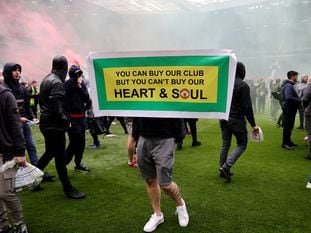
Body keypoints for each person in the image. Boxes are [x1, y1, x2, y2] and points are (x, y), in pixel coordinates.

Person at [37, 55, 85, 199]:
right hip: (54, 125)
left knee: (49, 152)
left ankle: (34, 178)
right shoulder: (57, 82)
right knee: (59, 157)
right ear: (63, 68)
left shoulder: (46, 79)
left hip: (46, 123)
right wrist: (65, 120)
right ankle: (68, 189)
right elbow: (56, 105)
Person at [132, 117, 189, 232]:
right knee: (149, 179)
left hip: (165, 136)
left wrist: (179, 135)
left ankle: (180, 204)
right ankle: (158, 215)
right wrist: (135, 135)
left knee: (165, 184)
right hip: (143, 136)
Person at [219, 62, 259, 183]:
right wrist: (253, 124)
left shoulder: (225, 83)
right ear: (242, 71)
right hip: (237, 119)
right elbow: (247, 107)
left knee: (225, 144)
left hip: (223, 118)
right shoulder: (243, 85)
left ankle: (221, 167)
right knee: (242, 144)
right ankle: (226, 167)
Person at [0, 85, 28, 233]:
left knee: (6, 192)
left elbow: (15, 124)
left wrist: (20, 151)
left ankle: (19, 224)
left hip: (5, 153)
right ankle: (3, 226)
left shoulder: (5, 94)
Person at [2, 63, 39, 166]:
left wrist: (32, 117)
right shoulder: (4, 89)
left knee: (31, 146)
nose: (18, 72)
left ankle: (38, 171)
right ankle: (17, 177)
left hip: (24, 124)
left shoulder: (22, 88)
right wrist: (18, 118)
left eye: (19, 70)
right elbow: (4, 112)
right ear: (8, 72)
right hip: (11, 127)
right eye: (14, 70)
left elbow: (27, 106)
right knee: (15, 152)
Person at [64, 65, 91, 172]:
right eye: (76, 74)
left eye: (79, 74)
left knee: (81, 143)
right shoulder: (67, 85)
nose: (78, 76)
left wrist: (80, 87)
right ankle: (64, 163)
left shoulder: (81, 84)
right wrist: (67, 118)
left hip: (81, 118)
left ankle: (78, 164)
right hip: (71, 119)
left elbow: (86, 98)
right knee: (74, 143)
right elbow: (64, 101)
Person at [281, 70, 301, 150]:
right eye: (296, 76)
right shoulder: (288, 86)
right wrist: (299, 100)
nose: (297, 78)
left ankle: (288, 141)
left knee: (289, 126)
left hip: (289, 109)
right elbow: (288, 97)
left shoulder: (289, 85)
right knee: (287, 127)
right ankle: (285, 143)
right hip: (289, 109)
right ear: (292, 76)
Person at [302, 76, 311, 160]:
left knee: (310, 133)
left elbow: (304, 100)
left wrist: (305, 108)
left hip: (310, 113)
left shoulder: (309, 88)